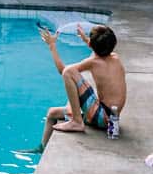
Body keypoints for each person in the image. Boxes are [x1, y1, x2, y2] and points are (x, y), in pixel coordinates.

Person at [32, 24, 127, 152]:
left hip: (102, 117)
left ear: (91, 46)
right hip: (112, 116)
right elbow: (100, 48)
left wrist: (52, 46)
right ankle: (42, 148)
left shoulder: (93, 62)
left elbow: (63, 71)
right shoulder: (115, 58)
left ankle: (77, 121)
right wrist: (86, 40)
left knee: (69, 72)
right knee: (52, 113)